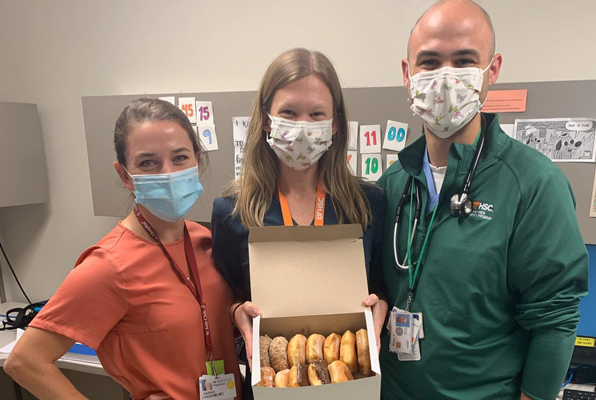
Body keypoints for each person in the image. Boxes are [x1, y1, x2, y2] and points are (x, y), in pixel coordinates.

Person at [377, 1, 589, 399]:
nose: (445, 77)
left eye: (463, 61)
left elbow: (555, 319)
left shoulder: (534, 185)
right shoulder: (391, 183)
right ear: (407, 74)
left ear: (492, 70)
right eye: (429, 62)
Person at [4, 98, 242, 400]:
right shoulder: (110, 265)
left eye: (180, 157)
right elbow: (25, 361)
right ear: (124, 175)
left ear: (197, 159)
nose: (167, 172)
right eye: (148, 162)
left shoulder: (205, 240)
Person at [211, 48, 388, 399]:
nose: (303, 128)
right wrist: (236, 314)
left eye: (317, 114)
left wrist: (380, 307)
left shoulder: (368, 204)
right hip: (269, 383)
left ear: (335, 123)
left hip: (350, 383)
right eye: (289, 112)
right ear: (265, 119)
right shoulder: (232, 212)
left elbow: (384, 285)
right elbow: (228, 296)